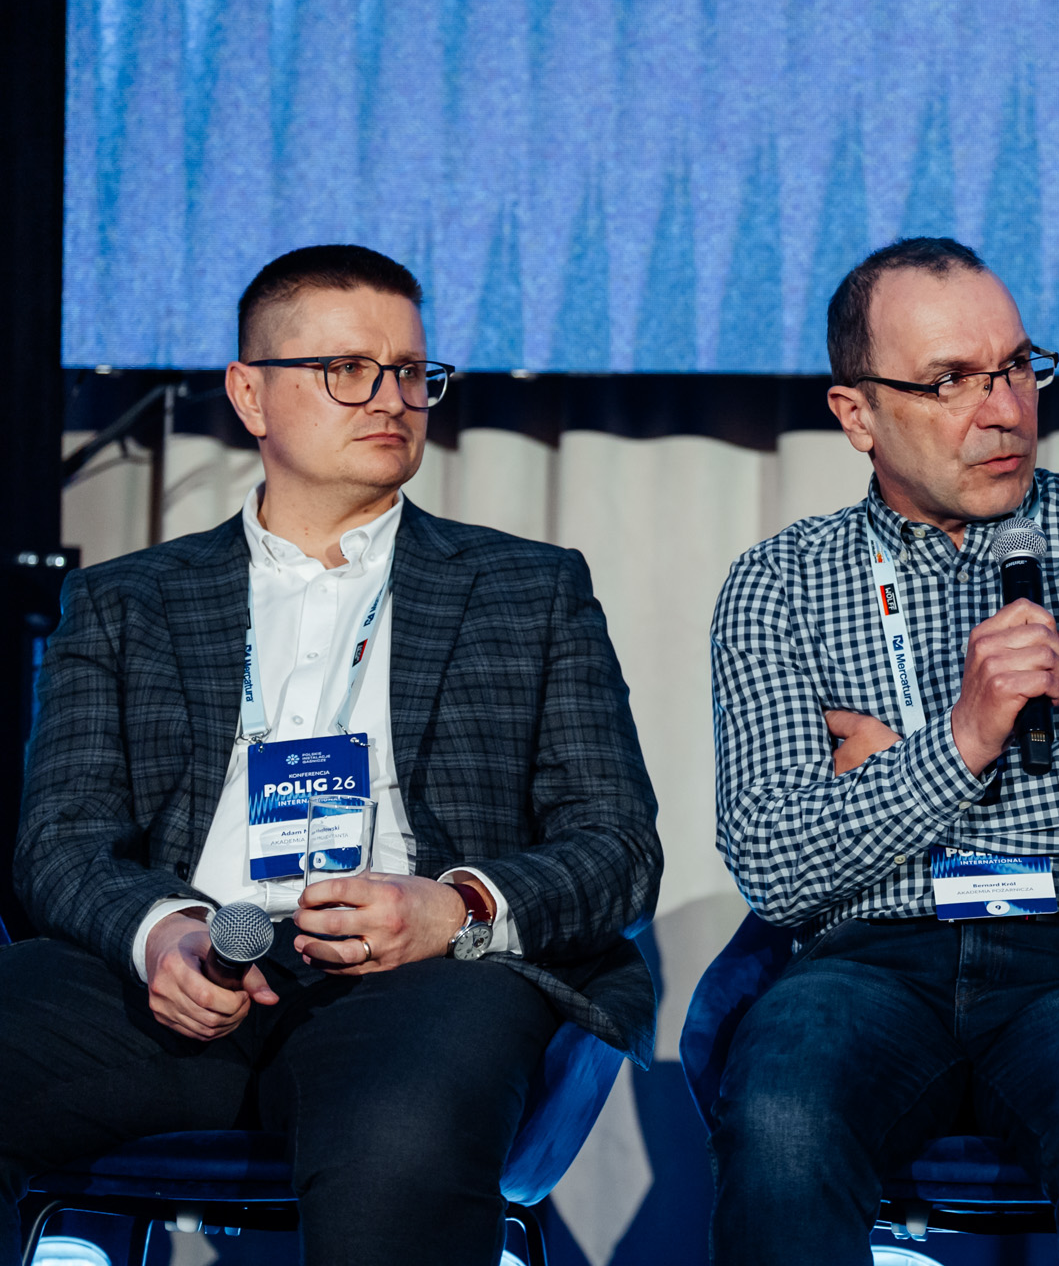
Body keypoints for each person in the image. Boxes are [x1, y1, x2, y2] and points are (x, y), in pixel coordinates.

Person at [0, 245, 662, 1264]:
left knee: (400, 1134)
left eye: (411, 371)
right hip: (185, 974)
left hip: (421, 984)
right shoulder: (126, 602)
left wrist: (456, 908)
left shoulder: (528, 590)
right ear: (249, 394)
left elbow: (617, 847)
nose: (391, 398)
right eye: (348, 369)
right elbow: (60, 843)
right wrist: (162, 934)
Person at [707, 237, 1059, 1264]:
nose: (1004, 410)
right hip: (868, 960)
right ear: (856, 413)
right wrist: (962, 739)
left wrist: (904, 771)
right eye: (950, 380)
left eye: (1016, 367)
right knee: (779, 1119)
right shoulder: (779, 582)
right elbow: (773, 860)